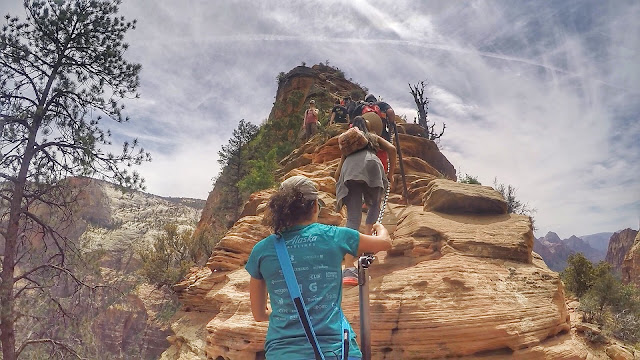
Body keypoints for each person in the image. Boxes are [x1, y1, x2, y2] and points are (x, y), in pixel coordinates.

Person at [246, 175, 392, 359]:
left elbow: (259, 314)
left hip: (283, 353)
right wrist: (379, 228)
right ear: (315, 206)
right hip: (336, 350)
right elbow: (384, 243)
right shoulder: (334, 236)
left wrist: (287, 313)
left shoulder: (262, 250)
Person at [334, 116, 396, 285]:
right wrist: (390, 174)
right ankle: (368, 244)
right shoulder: (372, 138)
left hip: (349, 170)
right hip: (372, 166)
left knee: (353, 218)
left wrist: (342, 180)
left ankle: (348, 267)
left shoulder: (349, 145)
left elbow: (337, 173)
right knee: (374, 205)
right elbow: (391, 148)